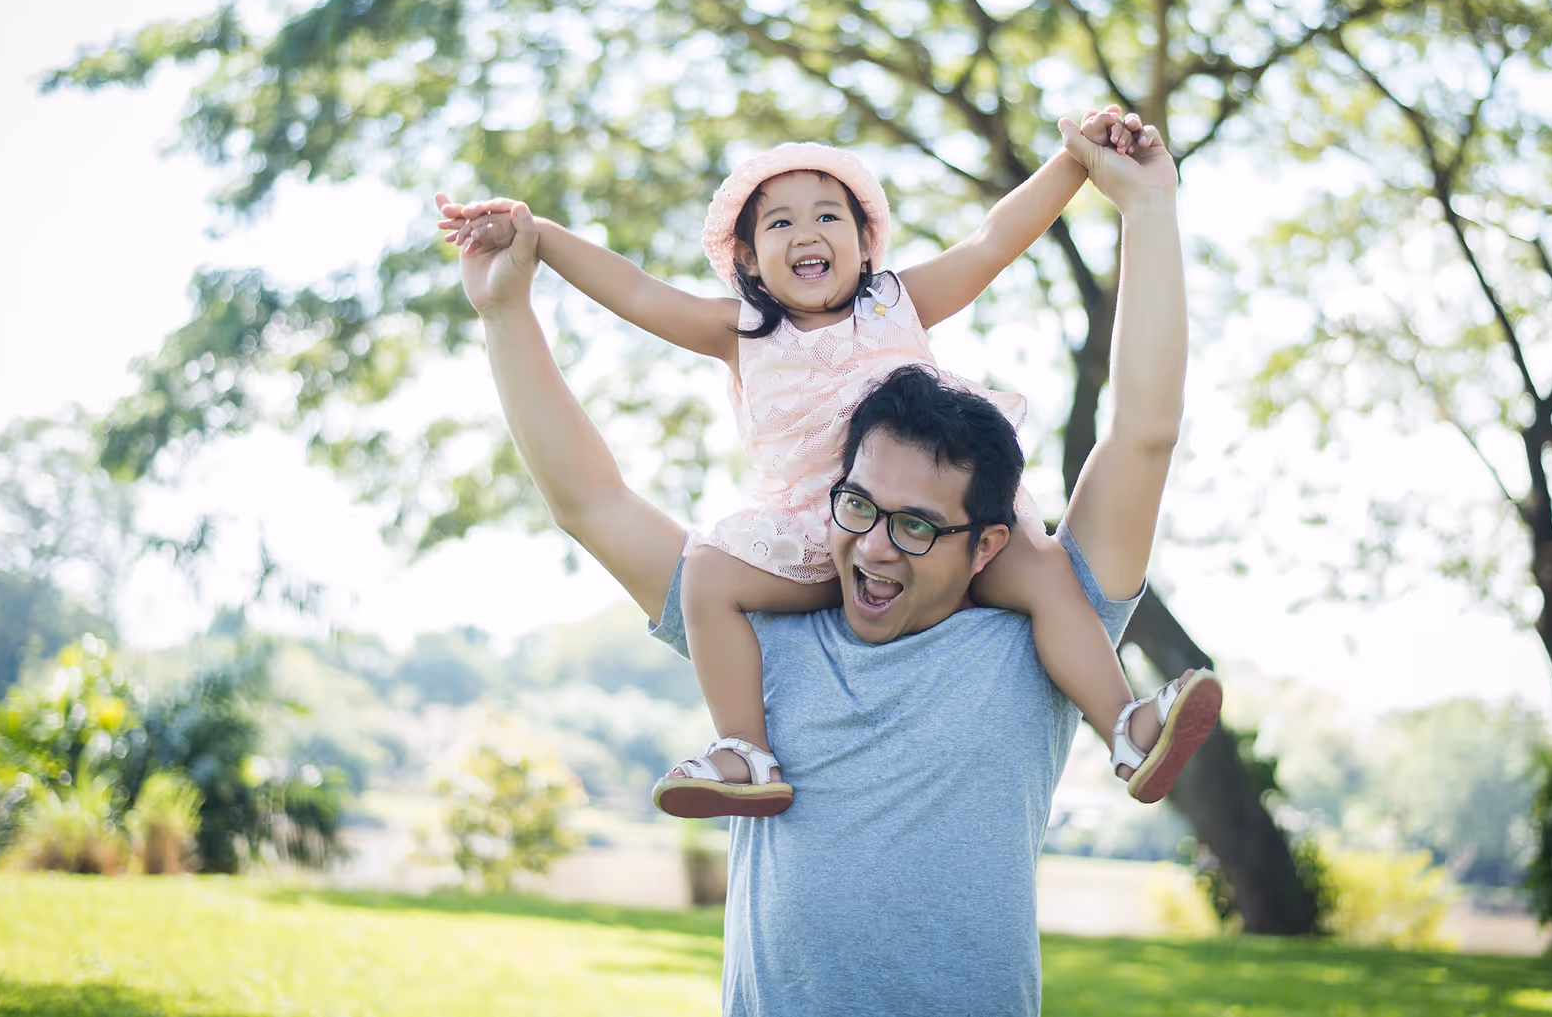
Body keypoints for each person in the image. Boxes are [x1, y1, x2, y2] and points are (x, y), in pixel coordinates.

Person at [440, 110, 1193, 1015]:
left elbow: (1130, 418)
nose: (875, 545)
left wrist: (1133, 200)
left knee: (1047, 569)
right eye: (862, 506)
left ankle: (1129, 727)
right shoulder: (768, 636)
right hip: (782, 556)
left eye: (917, 525)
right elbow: (589, 495)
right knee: (719, 562)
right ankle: (741, 754)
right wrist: (512, 296)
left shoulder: (1033, 629)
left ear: (982, 541)